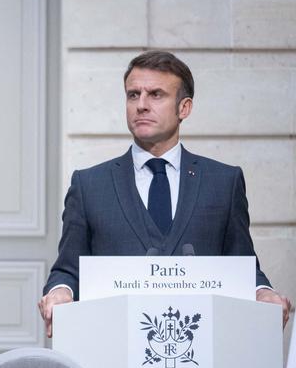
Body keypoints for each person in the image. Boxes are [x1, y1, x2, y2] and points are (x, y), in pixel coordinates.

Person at [40, 50, 292, 337]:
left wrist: (264, 292)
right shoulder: (89, 184)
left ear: (184, 108)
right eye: (133, 95)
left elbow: (243, 267)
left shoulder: (223, 181)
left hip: (200, 352)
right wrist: (59, 292)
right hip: (111, 347)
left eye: (156, 94)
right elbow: (67, 270)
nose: (141, 105)